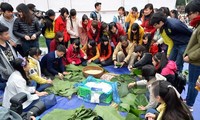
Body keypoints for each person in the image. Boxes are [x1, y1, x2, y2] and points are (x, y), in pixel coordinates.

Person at [184, 0, 200, 111]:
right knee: (191, 82)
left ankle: (189, 105)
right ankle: (188, 100)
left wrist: (190, 56)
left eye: (190, 13)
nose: (188, 16)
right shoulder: (197, 25)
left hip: (196, 61)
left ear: (197, 12)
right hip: (194, 61)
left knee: (193, 83)